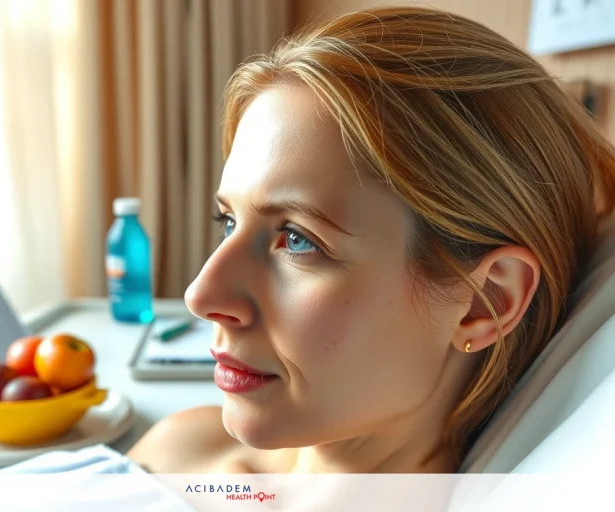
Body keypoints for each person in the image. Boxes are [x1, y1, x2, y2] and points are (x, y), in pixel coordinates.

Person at [126, 6, 615, 474]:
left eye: (298, 240)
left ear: (485, 302)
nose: (200, 296)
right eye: (229, 221)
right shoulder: (181, 444)